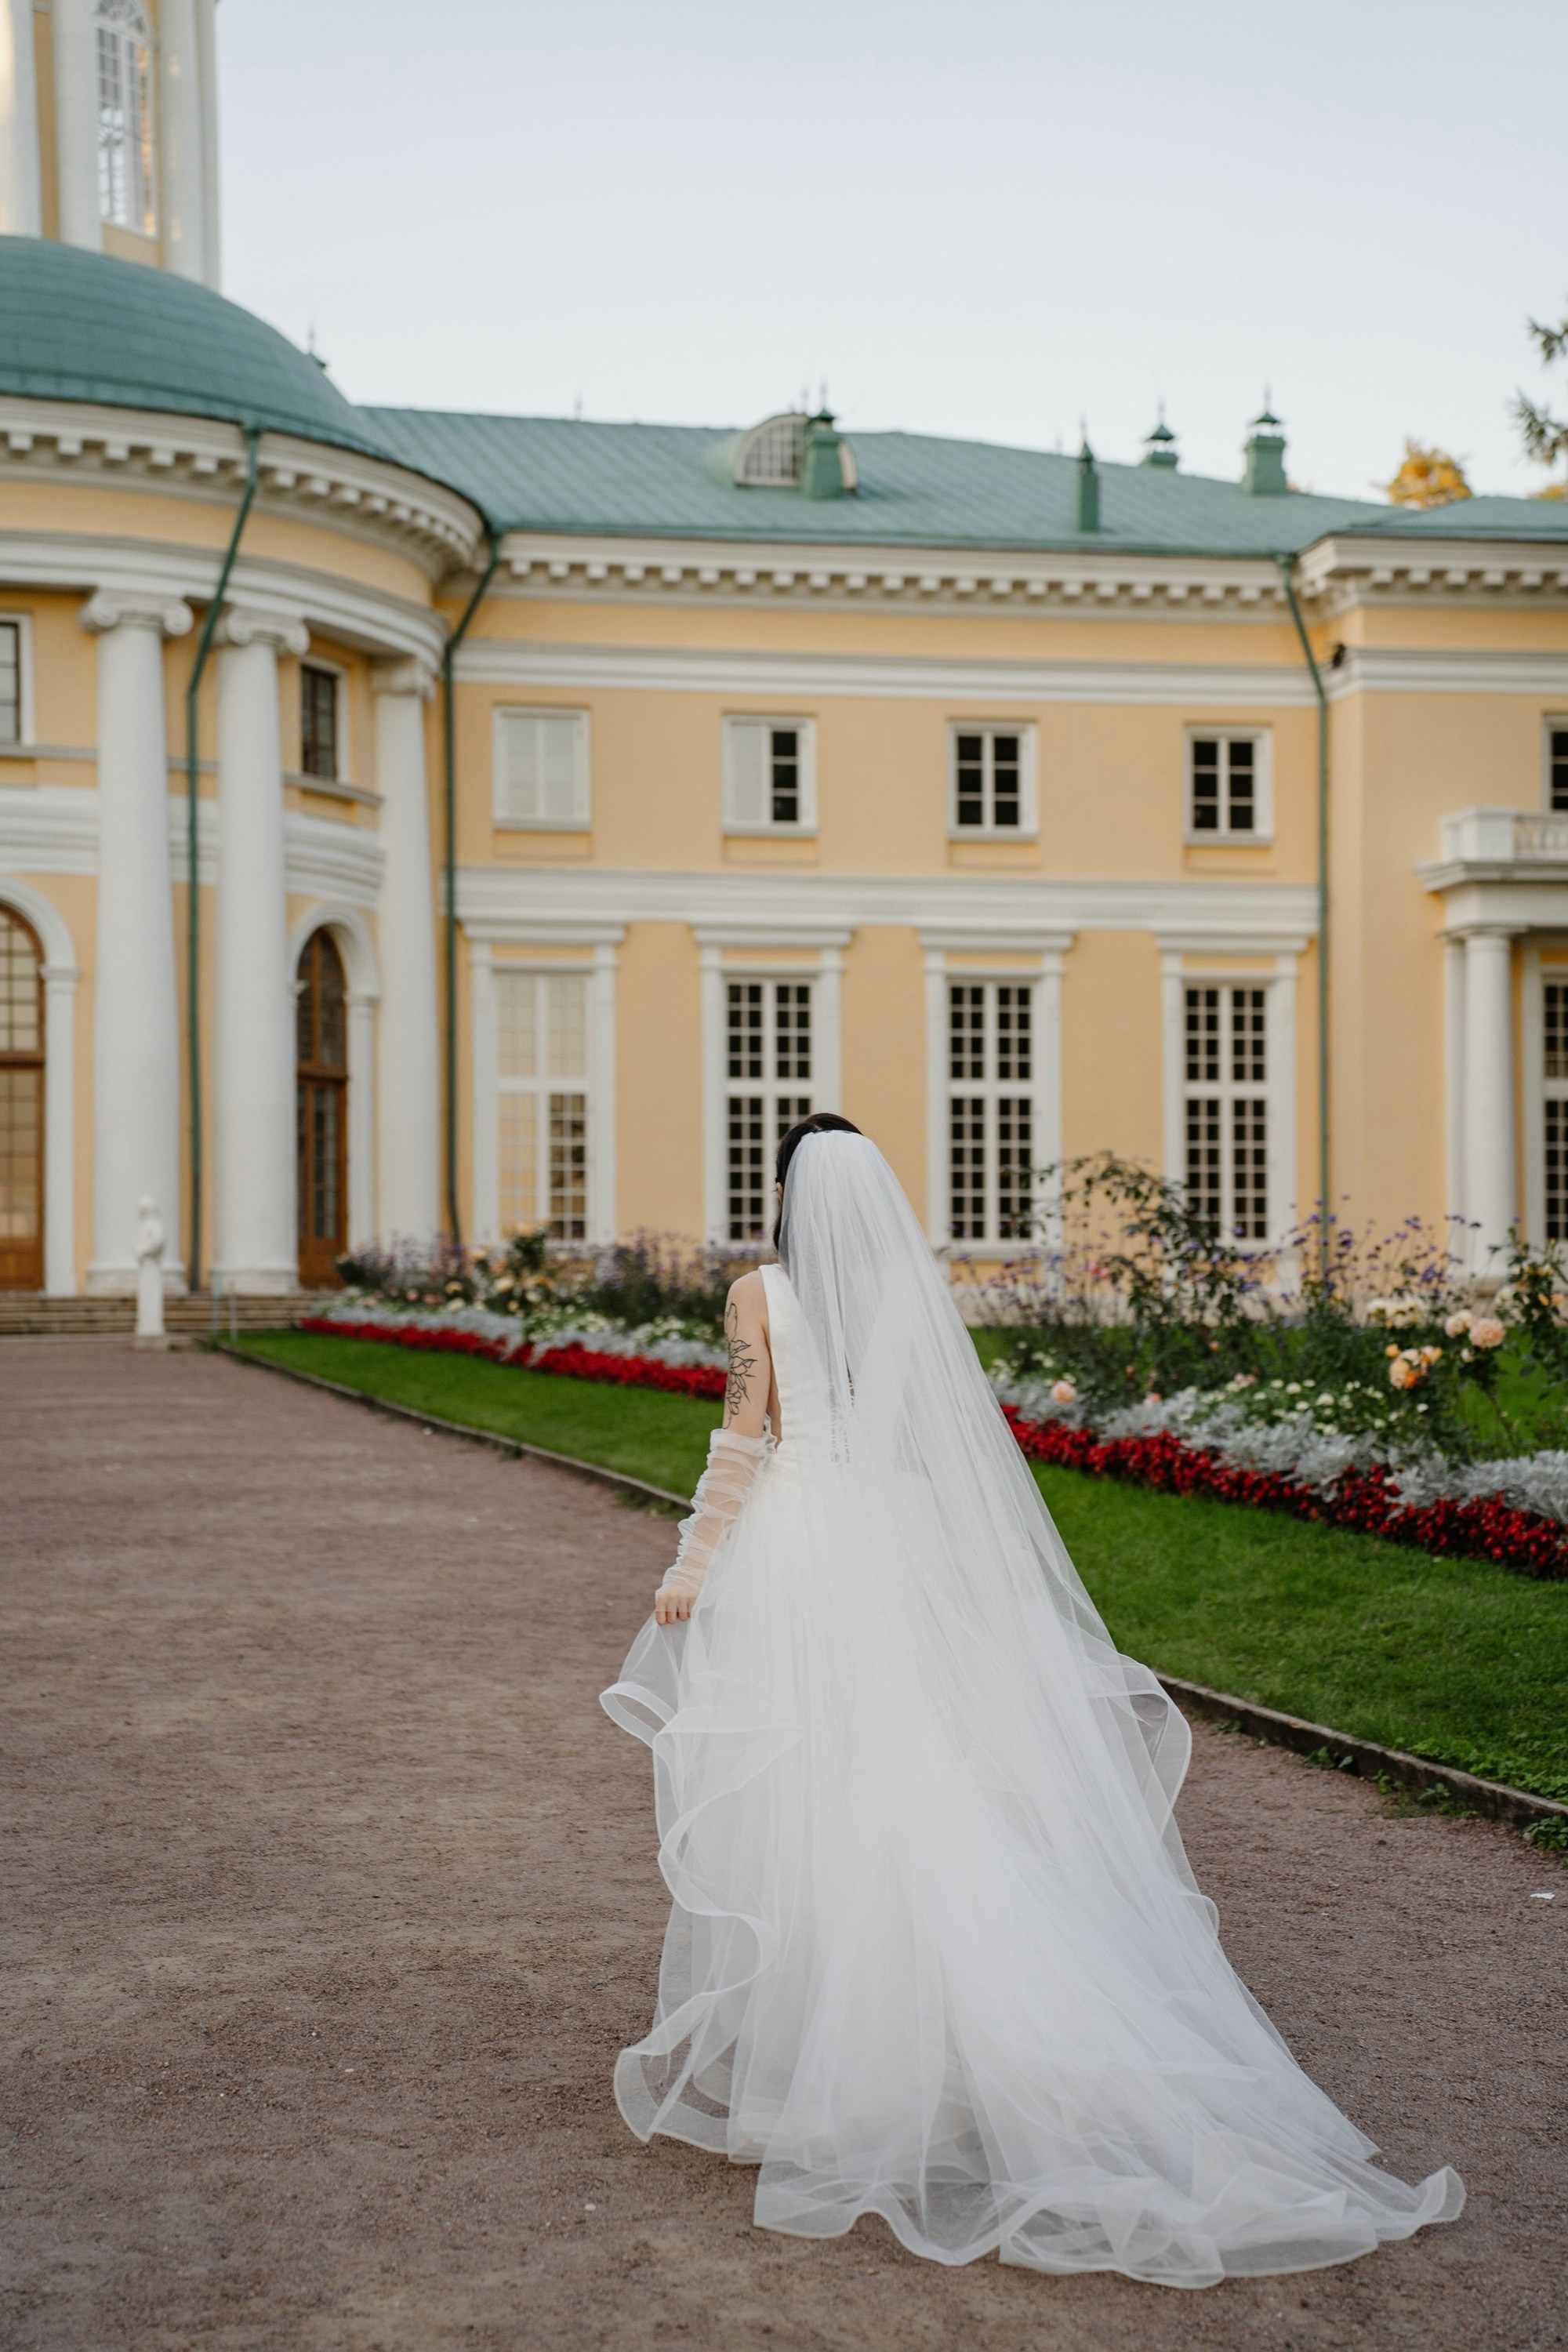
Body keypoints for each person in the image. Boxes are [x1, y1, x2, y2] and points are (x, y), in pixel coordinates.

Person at [601, 1116, 1463, 2287]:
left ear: (786, 1199)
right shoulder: (908, 1296)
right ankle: (930, 2060)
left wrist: (692, 1566)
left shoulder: (760, 1293)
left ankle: (838, 2068)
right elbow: (920, 1444)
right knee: (918, 1791)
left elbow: (741, 1440)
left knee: (817, 1795)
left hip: (800, 1557)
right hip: (890, 1547)